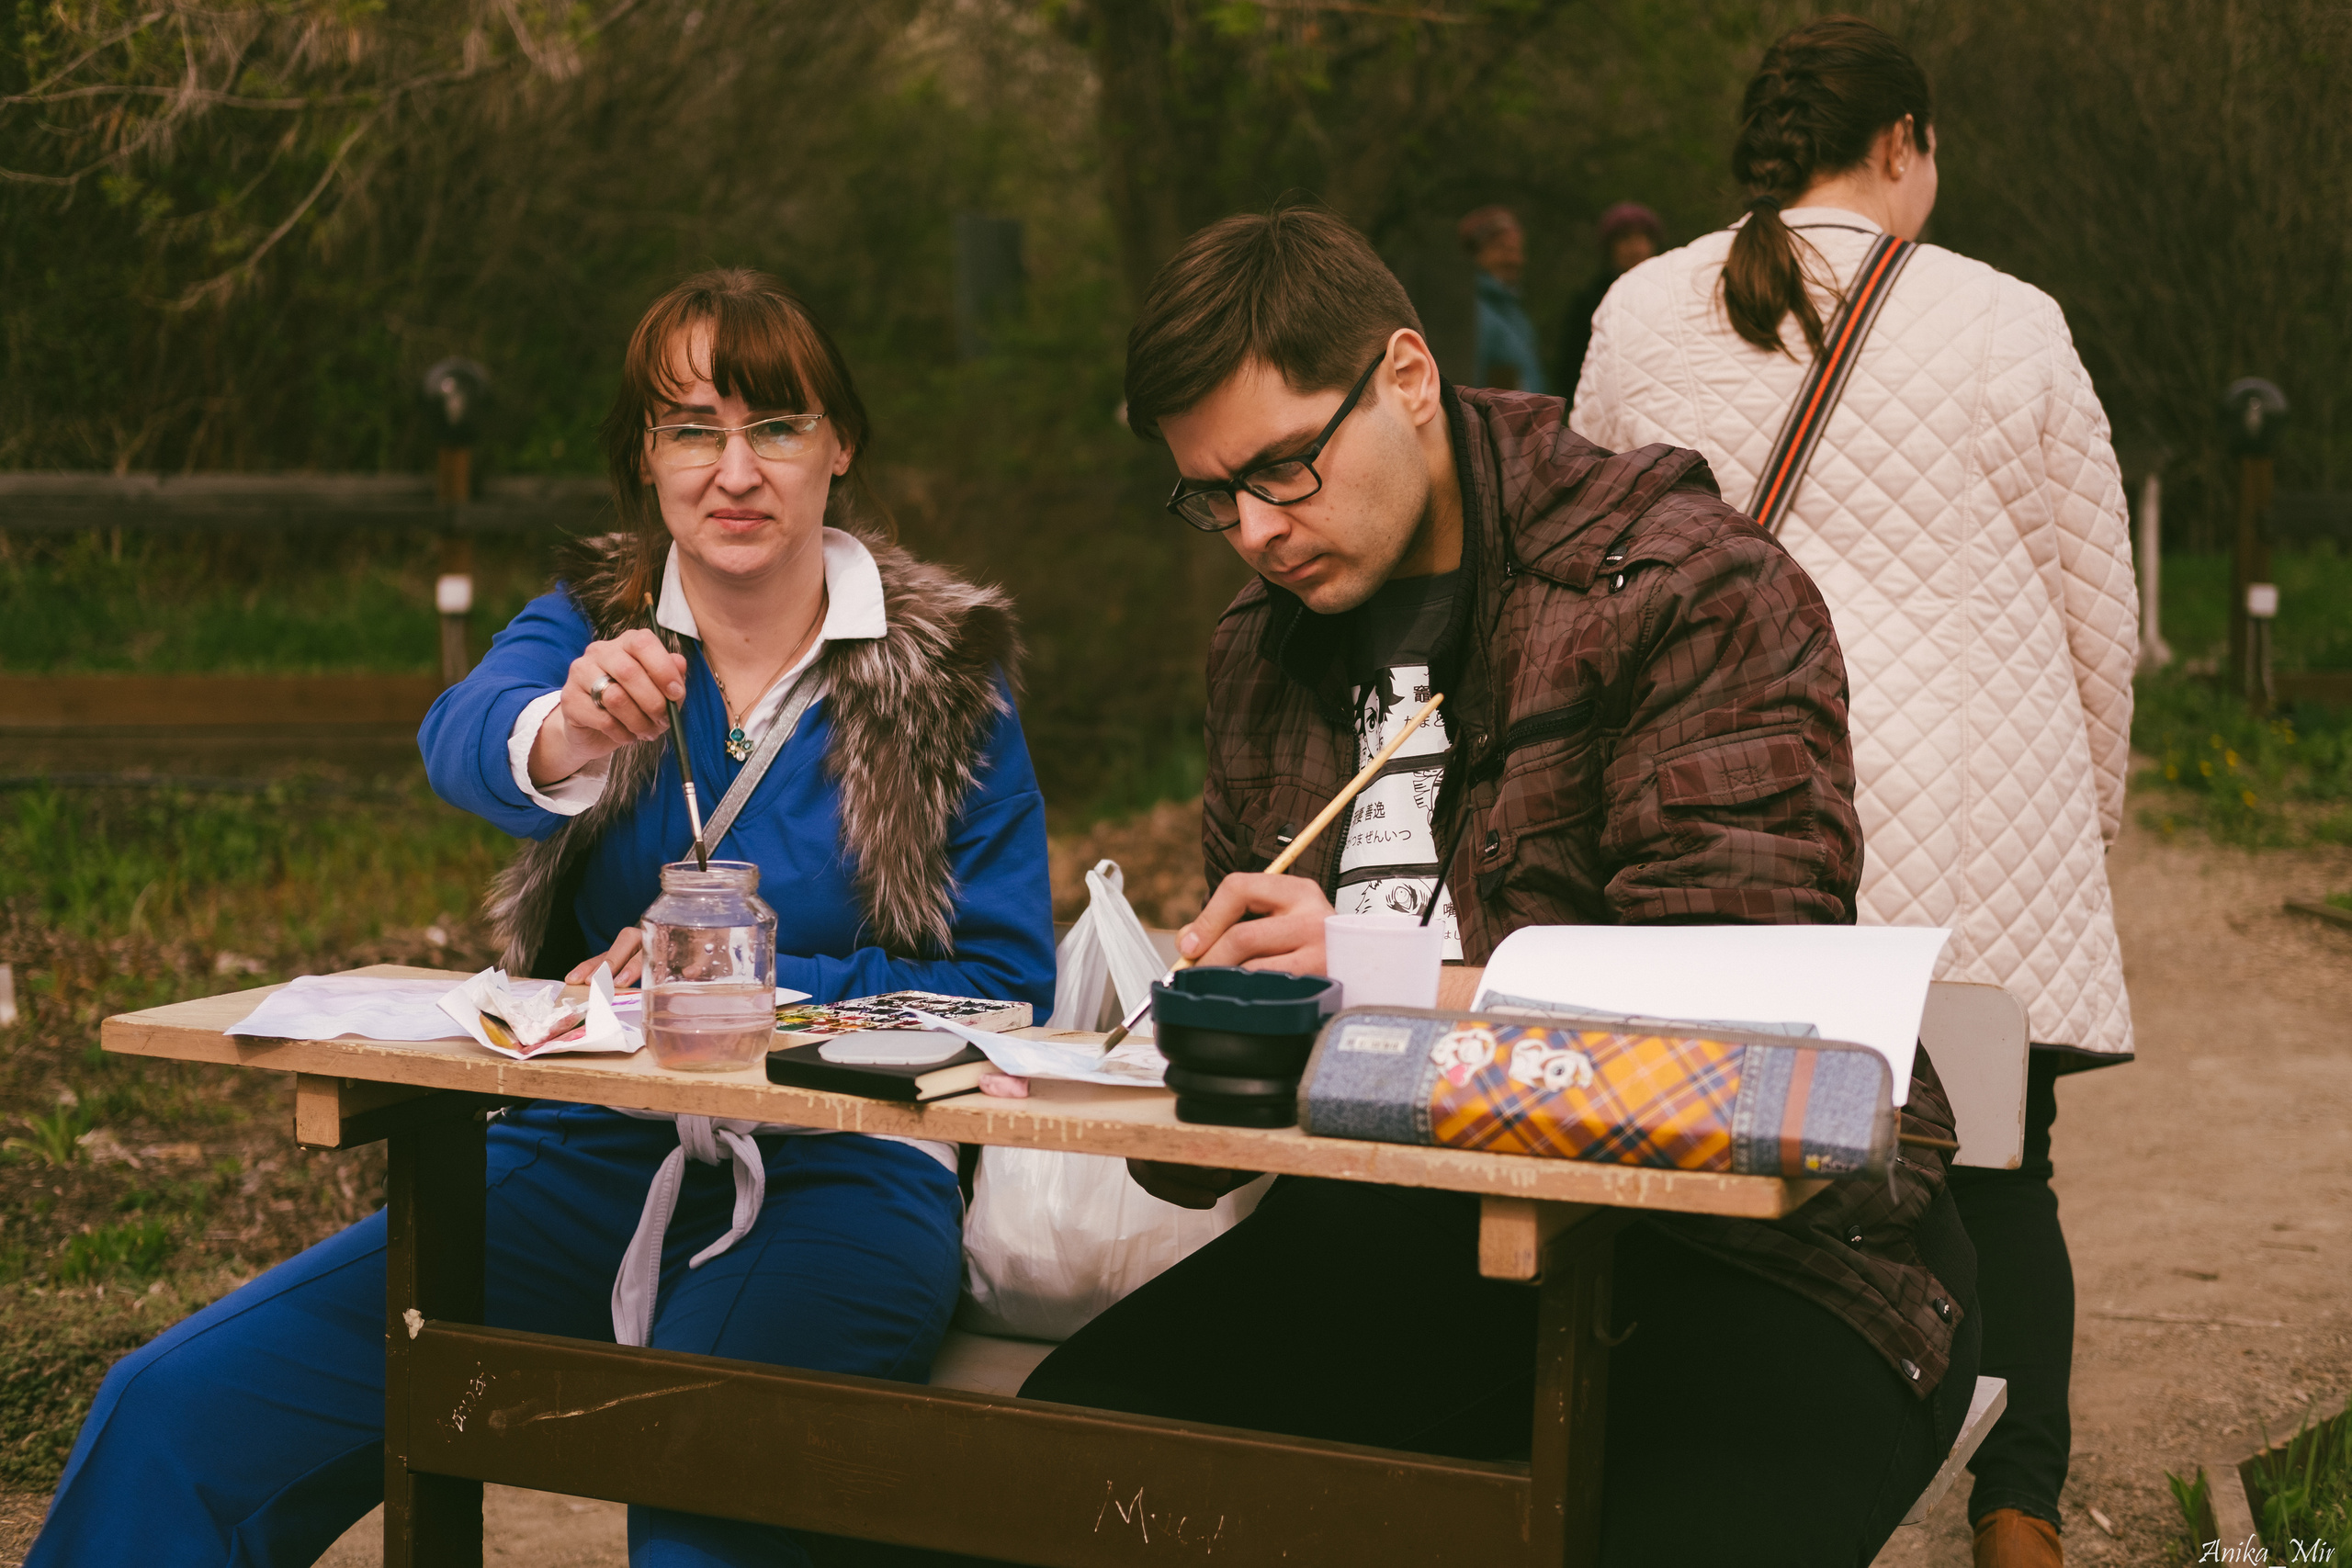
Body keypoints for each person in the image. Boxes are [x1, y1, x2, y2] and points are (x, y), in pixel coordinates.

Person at [27, 268, 1056, 1568]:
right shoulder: (593, 620)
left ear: (838, 445)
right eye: (691, 428)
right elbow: (457, 734)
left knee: (692, 1452)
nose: (734, 469)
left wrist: (760, 980)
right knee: (171, 1411)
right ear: (648, 453)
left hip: (845, 1164)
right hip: (592, 1147)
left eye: (776, 425)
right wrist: (566, 723)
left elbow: (1009, 990)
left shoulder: (946, 672)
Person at [1014, 207, 1979, 1565]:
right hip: (1413, 1225)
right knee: (1058, 1474)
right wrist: (1196, 1033)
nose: (1253, 530)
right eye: (1209, 492)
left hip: (1756, 1261)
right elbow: (1232, 1121)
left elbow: (1744, 1000)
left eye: (1285, 467)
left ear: (1408, 376)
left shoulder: (1685, 583)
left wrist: (1374, 976)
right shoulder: (1263, 649)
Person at [1570, 19, 2136, 1568]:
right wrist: (2087, 816)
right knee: (2003, 1171)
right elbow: (2100, 609)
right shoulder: (2011, 320)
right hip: (1970, 816)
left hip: (1720, 811)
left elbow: (1586, 580)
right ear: (1903, 141)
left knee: (1708, 1157)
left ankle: (1720, 1469)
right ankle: (2018, 1502)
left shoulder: (1638, 311)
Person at [1555, 201, 1663, 393]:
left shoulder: (1667, 294)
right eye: (1625, 238)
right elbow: (1573, 366)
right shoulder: (1590, 301)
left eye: (1643, 237)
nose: (1636, 248)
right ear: (1610, 248)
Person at [1458, 204, 1548, 393]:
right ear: (1476, 254)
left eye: (1517, 250)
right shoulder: (1469, 312)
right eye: (1504, 249)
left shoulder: (1513, 312)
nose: (1515, 260)